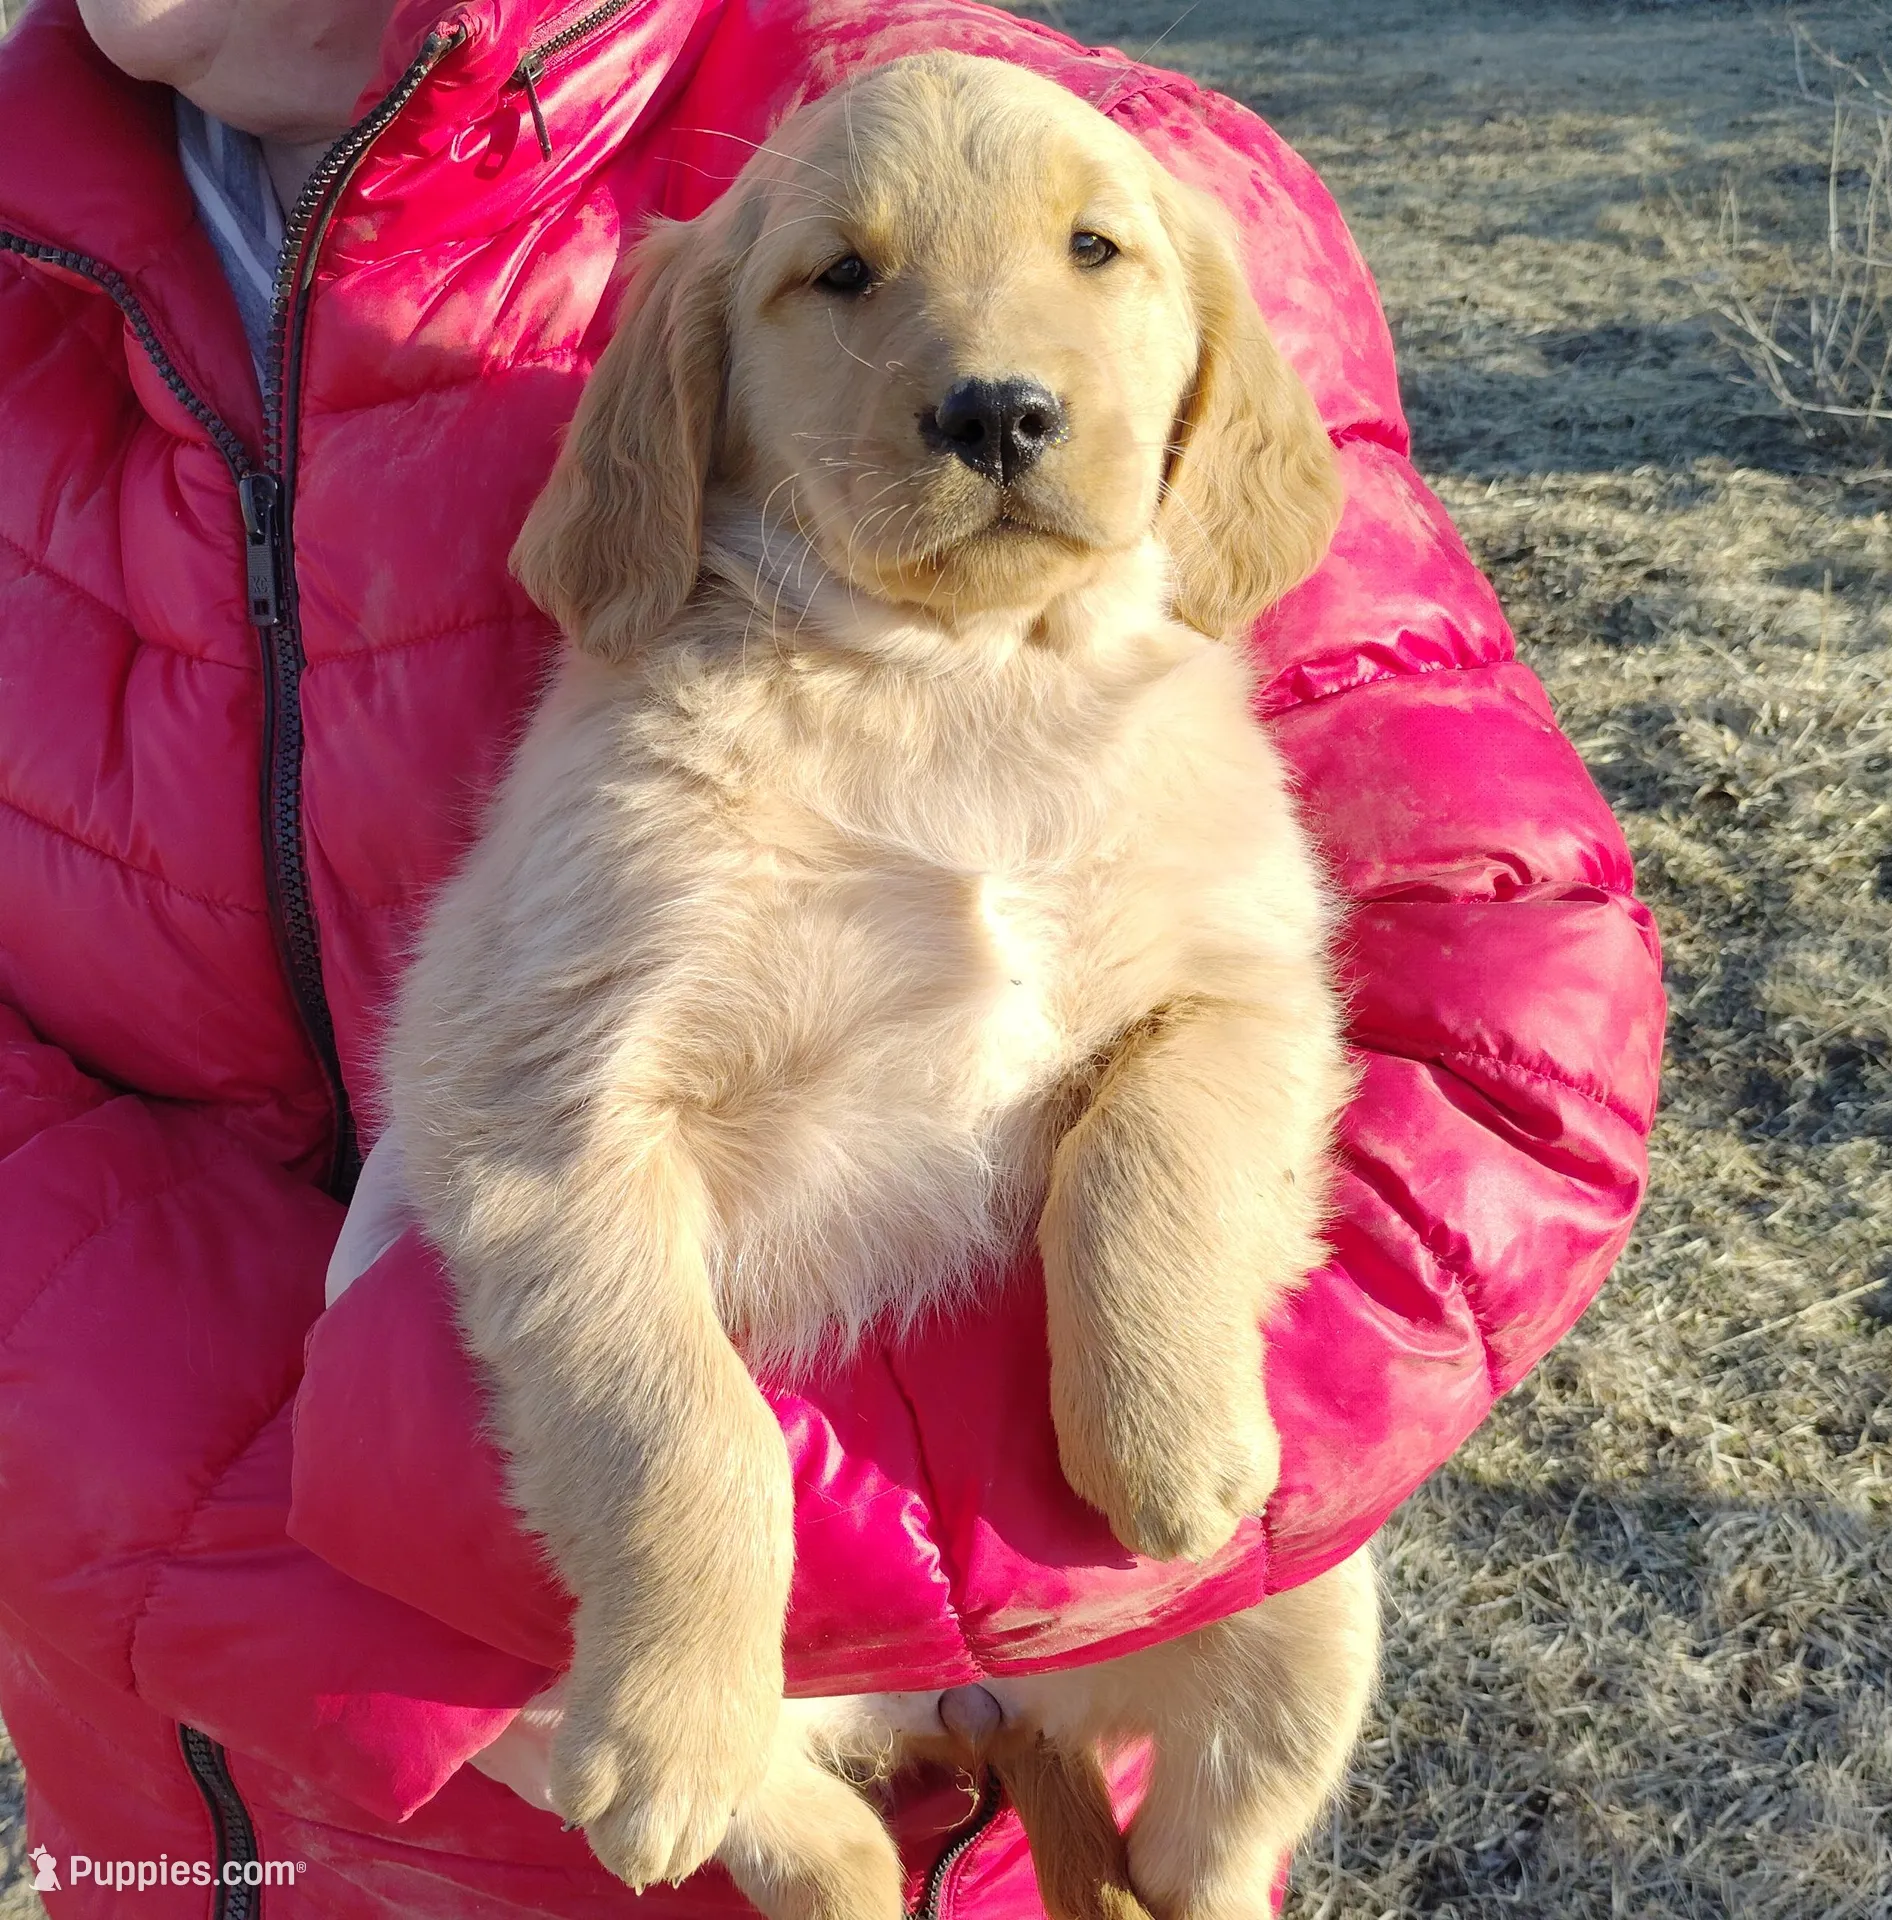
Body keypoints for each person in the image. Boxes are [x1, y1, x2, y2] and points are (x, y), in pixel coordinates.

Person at [0, 0, 1666, 1914]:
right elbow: (545, 1133)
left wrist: (1139, 1307)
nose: (984, 378)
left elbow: (1470, 987)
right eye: (847, 284)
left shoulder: (1037, 148)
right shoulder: (666, 686)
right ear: (688, 394)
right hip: (327, 1702)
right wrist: (446, 1556)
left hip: (1103, 1599)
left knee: (1288, 1693)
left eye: (1091, 259)